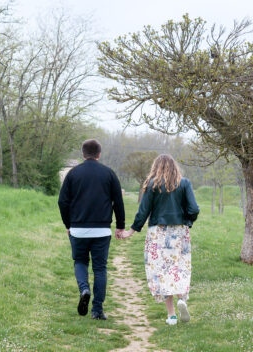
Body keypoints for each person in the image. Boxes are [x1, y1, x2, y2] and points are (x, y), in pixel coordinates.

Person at [121, 153, 199, 325]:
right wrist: (186, 220)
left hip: (158, 233)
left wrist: (131, 231)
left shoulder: (152, 184)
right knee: (180, 267)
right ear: (174, 167)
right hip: (179, 232)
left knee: (162, 272)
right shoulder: (184, 183)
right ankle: (182, 300)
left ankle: (171, 315)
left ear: (156, 167)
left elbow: (144, 210)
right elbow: (194, 209)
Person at [57, 138, 126, 320]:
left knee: (80, 261)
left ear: (83, 154)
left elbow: (62, 201)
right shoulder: (109, 174)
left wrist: (68, 225)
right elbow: (118, 202)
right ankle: (97, 310)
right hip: (102, 231)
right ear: (99, 154)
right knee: (100, 268)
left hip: (78, 229)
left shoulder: (73, 174)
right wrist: (120, 226)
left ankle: (84, 289)